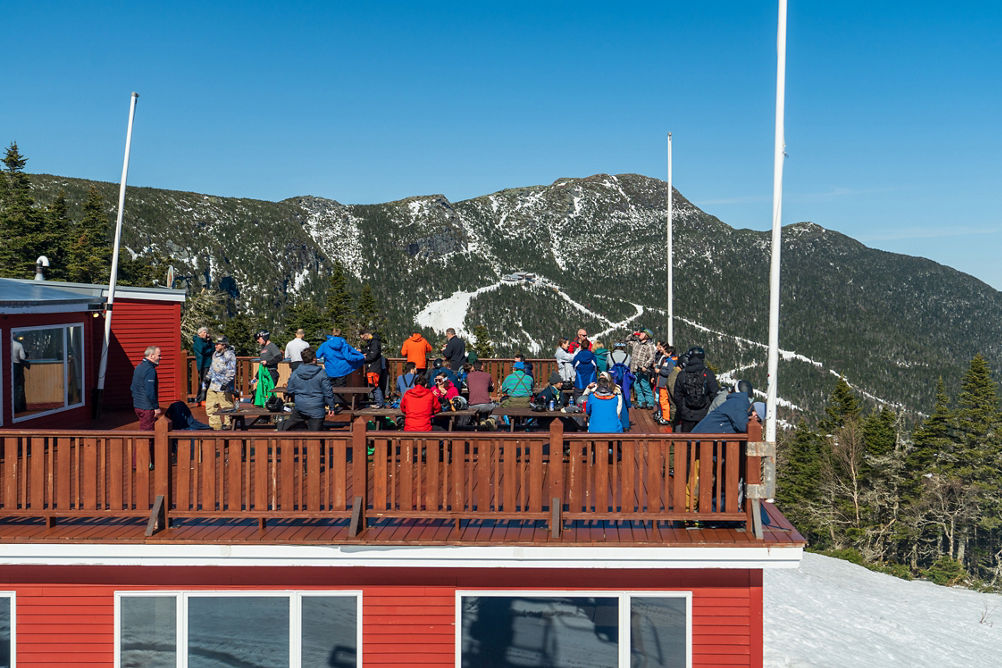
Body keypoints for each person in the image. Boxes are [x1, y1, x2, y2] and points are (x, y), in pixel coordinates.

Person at [280, 348, 336, 431]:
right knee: (316, 437)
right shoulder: (321, 373)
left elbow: (290, 389)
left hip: (300, 407)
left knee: (286, 428)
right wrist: (331, 407)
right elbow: (328, 392)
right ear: (314, 359)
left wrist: (299, 396)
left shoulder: (296, 372)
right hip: (316, 409)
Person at [673, 346, 720, 432]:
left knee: (686, 441)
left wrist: (682, 409)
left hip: (686, 415)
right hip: (704, 415)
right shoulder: (708, 373)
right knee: (703, 442)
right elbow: (714, 394)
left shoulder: (682, 374)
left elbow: (677, 395)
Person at [316, 327, 365, 409]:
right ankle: (339, 405)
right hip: (342, 370)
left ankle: (329, 404)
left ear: (332, 334)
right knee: (341, 389)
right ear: (340, 334)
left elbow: (317, 355)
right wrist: (361, 357)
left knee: (329, 387)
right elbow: (349, 357)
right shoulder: (343, 344)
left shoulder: (325, 345)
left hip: (330, 370)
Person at [690, 381, 755, 434]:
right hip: (699, 443)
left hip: (700, 440)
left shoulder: (735, 402)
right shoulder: (737, 402)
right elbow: (743, 427)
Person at [205, 335, 237, 430]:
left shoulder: (229, 355)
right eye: (215, 344)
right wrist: (208, 377)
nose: (216, 346)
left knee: (226, 406)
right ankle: (215, 425)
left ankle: (228, 424)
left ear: (224, 345)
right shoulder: (215, 354)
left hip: (224, 386)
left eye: (218, 344)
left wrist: (225, 383)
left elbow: (231, 371)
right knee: (210, 406)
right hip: (213, 384)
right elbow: (212, 367)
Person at [130, 346, 161, 430]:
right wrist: (156, 407)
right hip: (147, 408)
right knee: (147, 434)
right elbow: (150, 391)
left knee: (145, 430)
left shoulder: (139, 367)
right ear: (151, 356)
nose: (160, 358)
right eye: (158, 355)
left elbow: (132, 387)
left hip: (138, 406)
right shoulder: (150, 370)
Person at [629, 328, 657, 409]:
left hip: (642, 369)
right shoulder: (636, 343)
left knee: (645, 386)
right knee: (637, 387)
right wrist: (633, 334)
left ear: (646, 336)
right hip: (634, 369)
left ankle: (650, 403)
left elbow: (652, 357)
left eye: (642, 333)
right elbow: (627, 340)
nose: (640, 334)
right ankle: (641, 402)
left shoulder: (649, 346)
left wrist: (645, 366)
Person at [360, 329, 387, 407]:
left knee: (374, 384)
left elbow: (373, 355)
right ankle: (378, 402)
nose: (363, 339)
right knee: (374, 384)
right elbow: (370, 351)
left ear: (365, 334)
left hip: (374, 366)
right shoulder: (372, 341)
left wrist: (364, 358)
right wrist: (362, 351)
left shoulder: (374, 342)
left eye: (362, 337)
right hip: (373, 366)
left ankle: (379, 403)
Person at [653, 341, 677, 427]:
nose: (664, 354)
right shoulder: (668, 360)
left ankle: (666, 417)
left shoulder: (671, 361)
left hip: (664, 383)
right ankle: (663, 415)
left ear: (670, 353)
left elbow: (669, 372)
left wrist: (660, 371)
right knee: (662, 400)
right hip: (662, 382)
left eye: (666, 352)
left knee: (664, 401)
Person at [192, 326, 213, 403]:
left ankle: (204, 397)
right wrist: (208, 347)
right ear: (199, 333)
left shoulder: (206, 341)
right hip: (203, 364)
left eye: (206, 332)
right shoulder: (198, 341)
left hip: (208, 363)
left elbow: (213, 348)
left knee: (207, 381)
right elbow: (202, 350)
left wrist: (209, 341)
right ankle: (200, 398)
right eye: (204, 332)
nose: (205, 334)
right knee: (204, 381)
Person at [12, 334, 30, 413]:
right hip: (17, 367)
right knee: (18, 387)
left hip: (7, 366)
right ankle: (18, 408)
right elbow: (22, 357)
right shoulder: (18, 345)